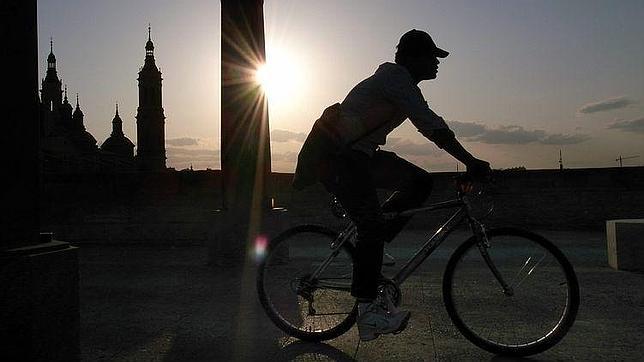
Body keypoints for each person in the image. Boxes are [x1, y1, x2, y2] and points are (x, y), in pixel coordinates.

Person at [293, 29, 491, 341]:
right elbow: (431, 125)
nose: (437, 64)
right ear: (413, 58)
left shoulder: (401, 82)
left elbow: (428, 120)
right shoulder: (397, 80)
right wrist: (470, 161)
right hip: (338, 160)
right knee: (371, 226)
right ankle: (368, 312)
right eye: (432, 57)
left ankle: (372, 240)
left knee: (419, 181)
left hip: (359, 157)